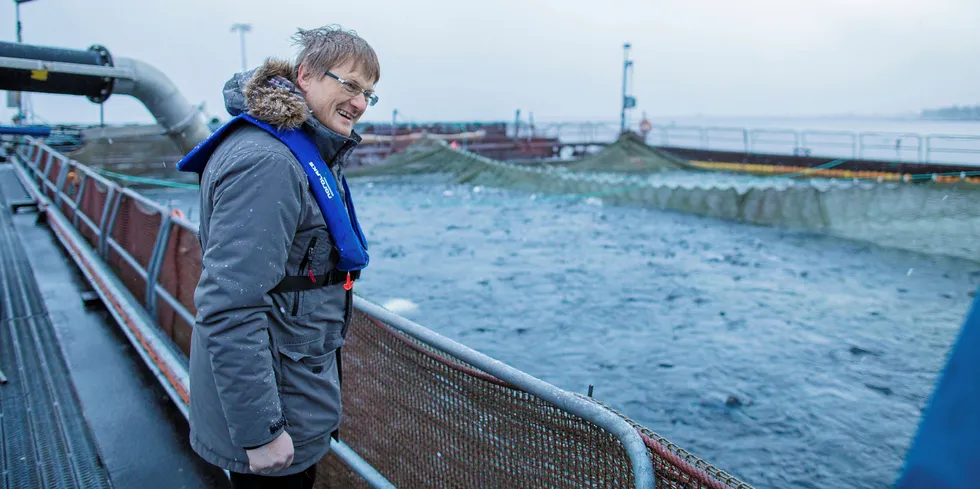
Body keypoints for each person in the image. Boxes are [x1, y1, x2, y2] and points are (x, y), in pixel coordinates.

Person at [175, 25, 380, 489]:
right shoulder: (270, 161)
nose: (360, 103)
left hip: (291, 391)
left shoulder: (289, 147)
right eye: (349, 84)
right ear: (305, 75)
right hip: (276, 410)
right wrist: (262, 431)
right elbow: (229, 304)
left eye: (369, 93)